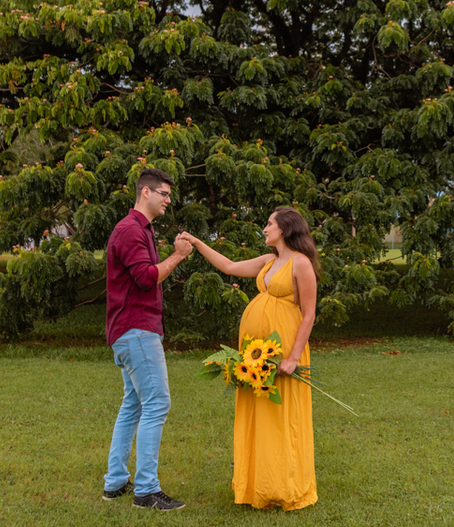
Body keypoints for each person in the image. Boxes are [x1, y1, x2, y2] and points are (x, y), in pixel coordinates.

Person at [180, 207, 320, 511]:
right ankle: (259, 485)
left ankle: (284, 487)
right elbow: (229, 266)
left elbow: (309, 314)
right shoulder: (269, 260)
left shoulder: (301, 263)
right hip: (255, 353)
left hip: (283, 351)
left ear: (284, 229)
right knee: (259, 414)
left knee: (280, 417)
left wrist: (293, 357)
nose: (265, 228)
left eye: (269, 224)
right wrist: (198, 243)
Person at [101, 167, 192, 510]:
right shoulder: (130, 231)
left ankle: (115, 482)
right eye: (164, 194)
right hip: (136, 329)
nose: (168, 200)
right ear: (146, 193)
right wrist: (178, 255)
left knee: (134, 404)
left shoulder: (141, 229)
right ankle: (146, 491)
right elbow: (146, 278)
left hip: (129, 329)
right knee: (156, 403)